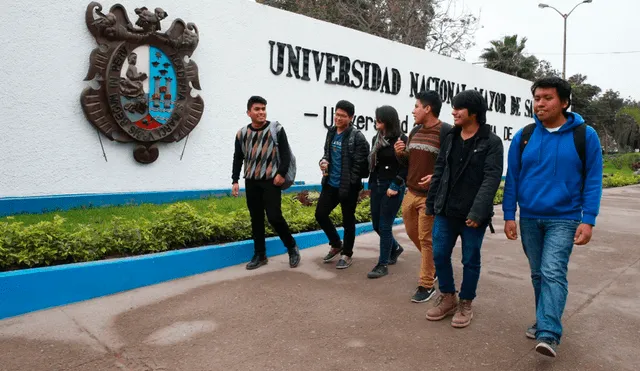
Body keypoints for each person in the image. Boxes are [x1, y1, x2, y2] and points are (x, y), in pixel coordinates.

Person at [502, 77, 603, 358]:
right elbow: (513, 178)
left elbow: (593, 179)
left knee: (552, 271)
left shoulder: (585, 135)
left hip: (565, 218)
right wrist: (509, 214)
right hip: (530, 218)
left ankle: (548, 333)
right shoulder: (525, 136)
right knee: (538, 274)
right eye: (536, 98)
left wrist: (589, 218)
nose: (540, 103)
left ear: (564, 102)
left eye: (547, 98)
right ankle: (543, 319)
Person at [425, 89, 503, 328]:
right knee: (439, 254)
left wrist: (478, 211)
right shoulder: (450, 137)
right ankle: (448, 296)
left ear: (475, 113)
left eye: (459, 108)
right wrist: (431, 203)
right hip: (446, 211)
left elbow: (491, 179)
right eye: (454, 107)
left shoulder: (491, 142)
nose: (454, 112)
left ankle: (466, 301)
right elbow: (440, 170)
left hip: (472, 216)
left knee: (470, 259)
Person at [231, 96, 301, 270]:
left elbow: (285, 154)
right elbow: (238, 157)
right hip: (251, 181)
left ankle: (292, 247)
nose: (261, 112)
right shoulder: (242, 133)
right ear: (249, 113)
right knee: (256, 219)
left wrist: (281, 174)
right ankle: (260, 254)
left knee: (274, 217)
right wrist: (235, 180)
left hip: (271, 180)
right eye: (257, 109)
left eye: (263, 108)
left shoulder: (276, 129)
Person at [395, 90, 452, 303]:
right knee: (412, 233)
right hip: (410, 193)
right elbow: (409, 162)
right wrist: (400, 153)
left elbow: (452, 164)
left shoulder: (446, 132)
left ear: (428, 109)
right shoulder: (415, 131)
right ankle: (435, 265)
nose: (413, 110)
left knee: (425, 240)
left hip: (430, 197)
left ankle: (426, 284)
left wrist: (436, 176)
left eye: (417, 106)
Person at [316, 100, 371, 269]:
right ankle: (335, 243)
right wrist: (323, 161)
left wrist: (352, 181)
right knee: (320, 214)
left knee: (348, 220)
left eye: (343, 116)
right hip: (330, 184)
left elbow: (361, 164)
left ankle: (347, 253)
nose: (338, 118)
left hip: (348, 186)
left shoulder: (357, 137)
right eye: (337, 114)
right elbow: (326, 153)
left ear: (351, 117)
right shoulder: (331, 132)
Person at [366, 105, 408, 279]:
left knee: (384, 225)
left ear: (388, 121)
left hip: (392, 186)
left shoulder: (401, 139)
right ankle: (395, 248)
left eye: (380, 119)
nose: (376, 121)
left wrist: (396, 185)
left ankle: (382, 264)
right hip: (376, 185)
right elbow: (373, 164)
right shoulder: (377, 138)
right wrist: (370, 185)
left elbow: (407, 165)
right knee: (376, 224)